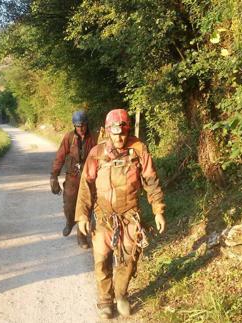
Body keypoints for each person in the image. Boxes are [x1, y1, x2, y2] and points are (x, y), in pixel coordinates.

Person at [75, 108, 166, 319]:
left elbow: (151, 181)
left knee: (128, 258)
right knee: (102, 259)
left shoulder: (139, 149)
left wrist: (158, 211)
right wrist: (82, 215)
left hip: (129, 215)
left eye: (123, 132)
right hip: (103, 216)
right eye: (115, 133)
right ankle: (105, 300)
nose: (119, 137)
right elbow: (86, 185)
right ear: (107, 131)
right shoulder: (96, 153)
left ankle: (122, 294)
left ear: (128, 131)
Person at [50, 110, 96, 249]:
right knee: (69, 206)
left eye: (83, 125)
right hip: (72, 177)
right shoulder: (69, 138)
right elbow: (60, 156)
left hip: (88, 177)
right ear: (74, 126)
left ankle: (81, 237)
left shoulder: (94, 137)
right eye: (78, 126)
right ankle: (70, 222)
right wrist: (54, 176)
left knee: (86, 207)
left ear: (87, 124)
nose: (81, 128)